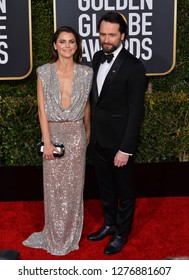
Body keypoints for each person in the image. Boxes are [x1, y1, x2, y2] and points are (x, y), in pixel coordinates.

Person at [22, 26, 93, 255]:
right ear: (55, 45)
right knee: (54, 189)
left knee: (73, 189)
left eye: (71, 42)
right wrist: (47, 141)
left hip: (76, 135)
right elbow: (42, 111)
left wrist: (87, 132)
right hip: (53, 133)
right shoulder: (44, 72)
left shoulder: (86, 73)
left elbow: (86, 106)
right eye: (62, 42)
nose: (67, 46)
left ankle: (70, 236)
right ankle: (54, 234)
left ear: (77, 45)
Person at [88, 12, 146, 255]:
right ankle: (109, 224)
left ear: (122, 35)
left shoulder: (134, 67)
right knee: (106, 188)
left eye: (112, 35)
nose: (106, 39)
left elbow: (136, 112)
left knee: (125, 192)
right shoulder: (97, 57)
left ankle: (121, 233)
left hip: (120, 143)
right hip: (99, 140)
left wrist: (126, 149)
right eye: (102, 34)